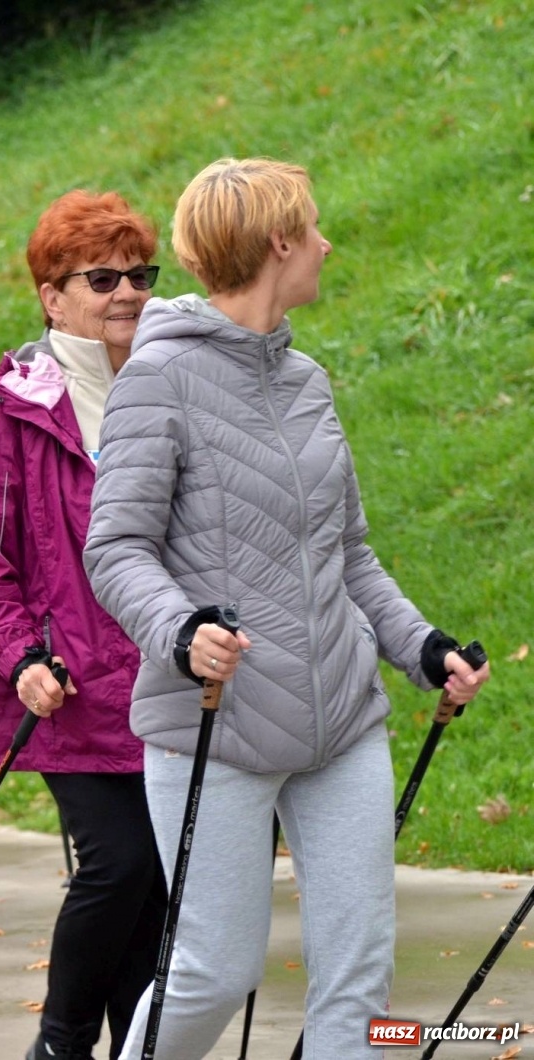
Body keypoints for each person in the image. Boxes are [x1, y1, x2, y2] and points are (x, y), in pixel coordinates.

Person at [82, 157, 490, 1059]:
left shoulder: (306, 380)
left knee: (359, 974)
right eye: (313, 229)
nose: (326, 244)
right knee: (214, 973)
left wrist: (421, 646)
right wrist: (181, 630)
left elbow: (346, 554)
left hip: (341, 718)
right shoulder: (160, 378)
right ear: (277, 244)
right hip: (214, 731)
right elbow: (114, 548)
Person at [0, 190, 168, 1060]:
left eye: (140, 275)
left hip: (163, 681)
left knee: (153, 891)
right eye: (101, 276)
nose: (127, 293)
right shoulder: (5, 411)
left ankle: (136, 1047)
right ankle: (59, 1042)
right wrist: (23, 656)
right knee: (116, 865)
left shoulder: (166, 390)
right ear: (51, 294)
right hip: (65, 689)